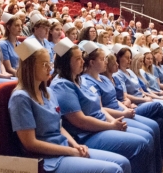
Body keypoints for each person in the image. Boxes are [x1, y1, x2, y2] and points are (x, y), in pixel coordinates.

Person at [9, 38, 131, 173]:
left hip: (64, 146)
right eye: (44, 64)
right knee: (114, 170)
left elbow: (59, 126)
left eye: (49, 62)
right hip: (46, 159)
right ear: (29, 67)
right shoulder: (20, 98)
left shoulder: (48, 92)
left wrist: (75, 145)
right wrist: (71, 150)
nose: (50, 68)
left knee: (123, 163)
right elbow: (30, 143)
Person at [50, 38, 154, 173]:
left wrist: (113, 121)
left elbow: (98, 108)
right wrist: (111, 126)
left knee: (146, 137)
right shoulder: (62, 85)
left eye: (82, 58)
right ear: (65, 62)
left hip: (101, 124)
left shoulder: (79, 79)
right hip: (87, 134)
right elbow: (80, 121)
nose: (83, 61)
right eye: (77, 59)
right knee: (141, 144)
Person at [81, 42, 163, 168]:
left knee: (155, 126)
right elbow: (100, 107)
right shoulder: (87, 81)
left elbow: (115, 99)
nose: (106, 62)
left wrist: (126, 109)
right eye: (102, 60)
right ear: (92, 63)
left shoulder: (105, 79)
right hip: (114, 116)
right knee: (146, 136)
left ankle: (157, 168)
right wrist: (123, 114)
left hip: (122, 111)